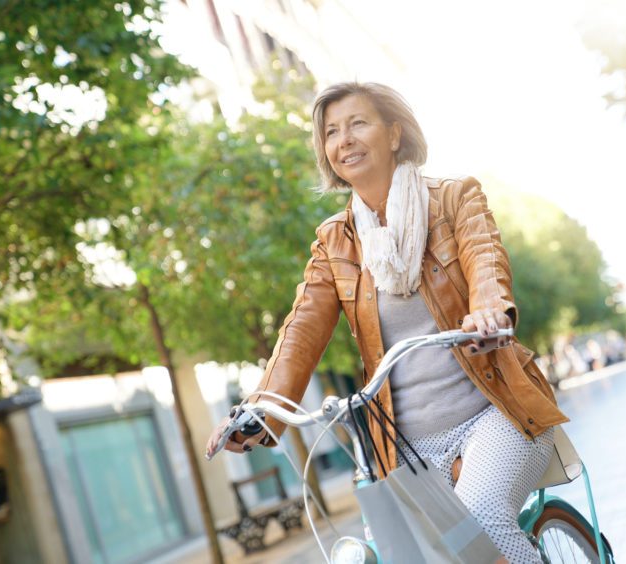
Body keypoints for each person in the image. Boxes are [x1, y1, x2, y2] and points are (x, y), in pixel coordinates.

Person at [206, 82, 568, 563]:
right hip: (405, 445)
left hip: (497, 414)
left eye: (357, 123)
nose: (343, 140)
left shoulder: (455, 198)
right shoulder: (335, 241)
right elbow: (301, 331)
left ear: (395, 134)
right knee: (403, 554)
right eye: (331, 132)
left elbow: (485, 260)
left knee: (480, 514)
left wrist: (489, 312)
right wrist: (259, 410)